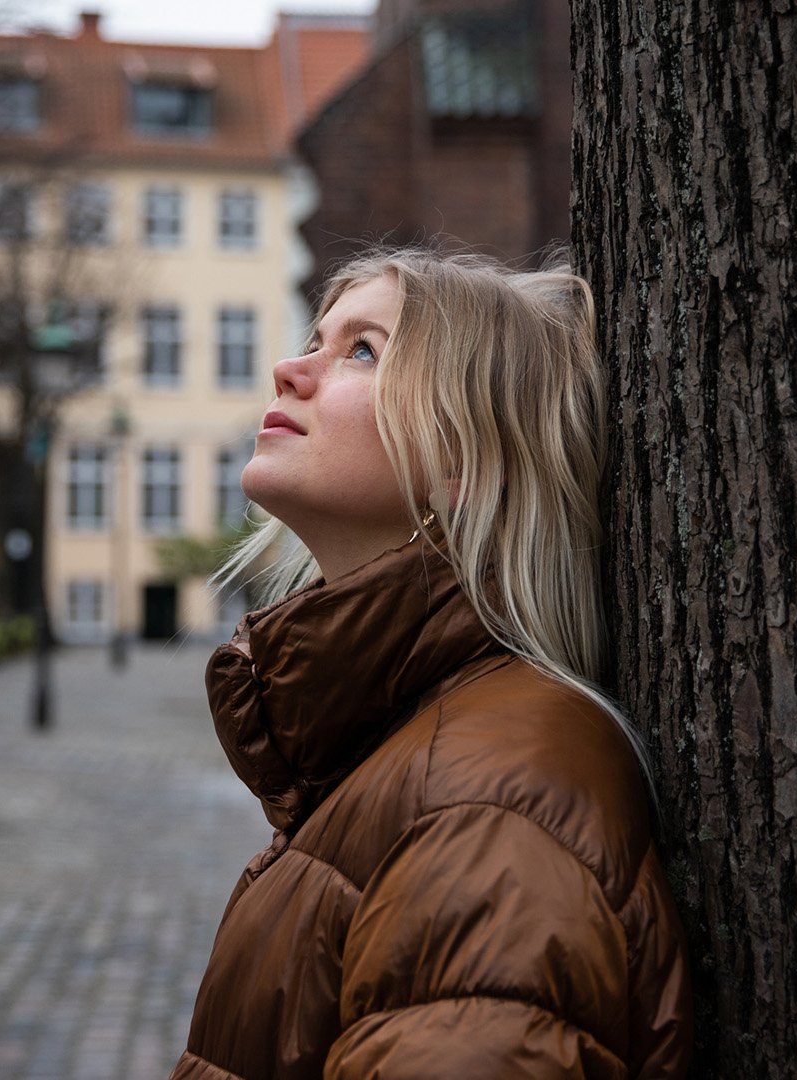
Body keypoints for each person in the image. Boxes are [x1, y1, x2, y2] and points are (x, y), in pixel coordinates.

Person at [170, 250, 692, 1079]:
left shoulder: (487, 803)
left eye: (362, 350)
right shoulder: (417, 748)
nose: (289, 369)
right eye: (317, 338)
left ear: (465, 462)